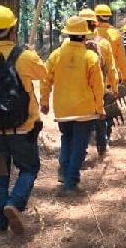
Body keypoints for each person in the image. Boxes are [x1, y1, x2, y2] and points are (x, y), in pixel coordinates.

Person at [0, 4, 47, 234]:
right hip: (24, 129)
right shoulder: (25, 57)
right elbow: (43, 73)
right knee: (29, 168)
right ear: (13, 28)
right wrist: (32, 52)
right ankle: (14, 203)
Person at [41, 16, 105, 193]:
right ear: (84, 36)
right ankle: (71, 182)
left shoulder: (56, 55)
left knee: (67, 139)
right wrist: (100, 108)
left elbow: (45, 80)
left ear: (68, 34)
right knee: (79, 145)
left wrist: (44, 101)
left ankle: (64, 170)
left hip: (63, 110)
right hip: (84, 110)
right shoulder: (90, 57)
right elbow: (97, 87)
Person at [81, 7, 117, 158]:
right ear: (95, 24)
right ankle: (102, 149)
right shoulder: (103, 43)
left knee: (81, 124)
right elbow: (111, 67)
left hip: (79, 91)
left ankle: (79, 153)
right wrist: (114, 87)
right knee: (100, 119)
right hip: (99, 89)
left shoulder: (72, 44)